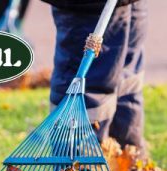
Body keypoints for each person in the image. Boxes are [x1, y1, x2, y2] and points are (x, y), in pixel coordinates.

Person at [42, 0, 147, 151]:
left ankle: (127, 163)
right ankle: (77, 168)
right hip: (87, 9)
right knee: (88, 90)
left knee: (128, 80)